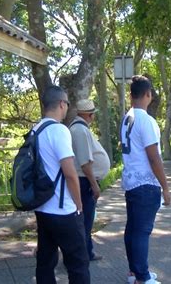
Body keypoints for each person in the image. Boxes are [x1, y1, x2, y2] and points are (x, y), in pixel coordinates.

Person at [34, 86, 90, 283]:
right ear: (60, 104)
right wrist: (79, 204)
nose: (67, 107)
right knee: (78, 264)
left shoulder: (35, 130)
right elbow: (70, 173)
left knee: (45, 262)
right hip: (63, 210)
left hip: (42, 208)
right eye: (67, 103)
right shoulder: (59, 130)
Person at [120, 75, 171, 284]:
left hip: (131, 181)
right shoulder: (145, 120)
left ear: (131, 95)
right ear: (148, 94)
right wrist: (166, 187)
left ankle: (135, 272)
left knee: (132, 229)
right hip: (145, 183)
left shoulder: (127, 118)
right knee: (142, 231)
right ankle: (142, 277)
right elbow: (153, 156)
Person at [69, 99, 110, 261]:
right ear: (88, 115)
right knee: (84, 221)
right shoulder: (79, 130)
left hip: (84, 180)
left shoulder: (80, 128)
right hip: (84, 181)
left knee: (86, 221)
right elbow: (85, 163)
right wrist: (94, 185)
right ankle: (82, 255)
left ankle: (87, 251)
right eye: (92, 115)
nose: (93, 118)